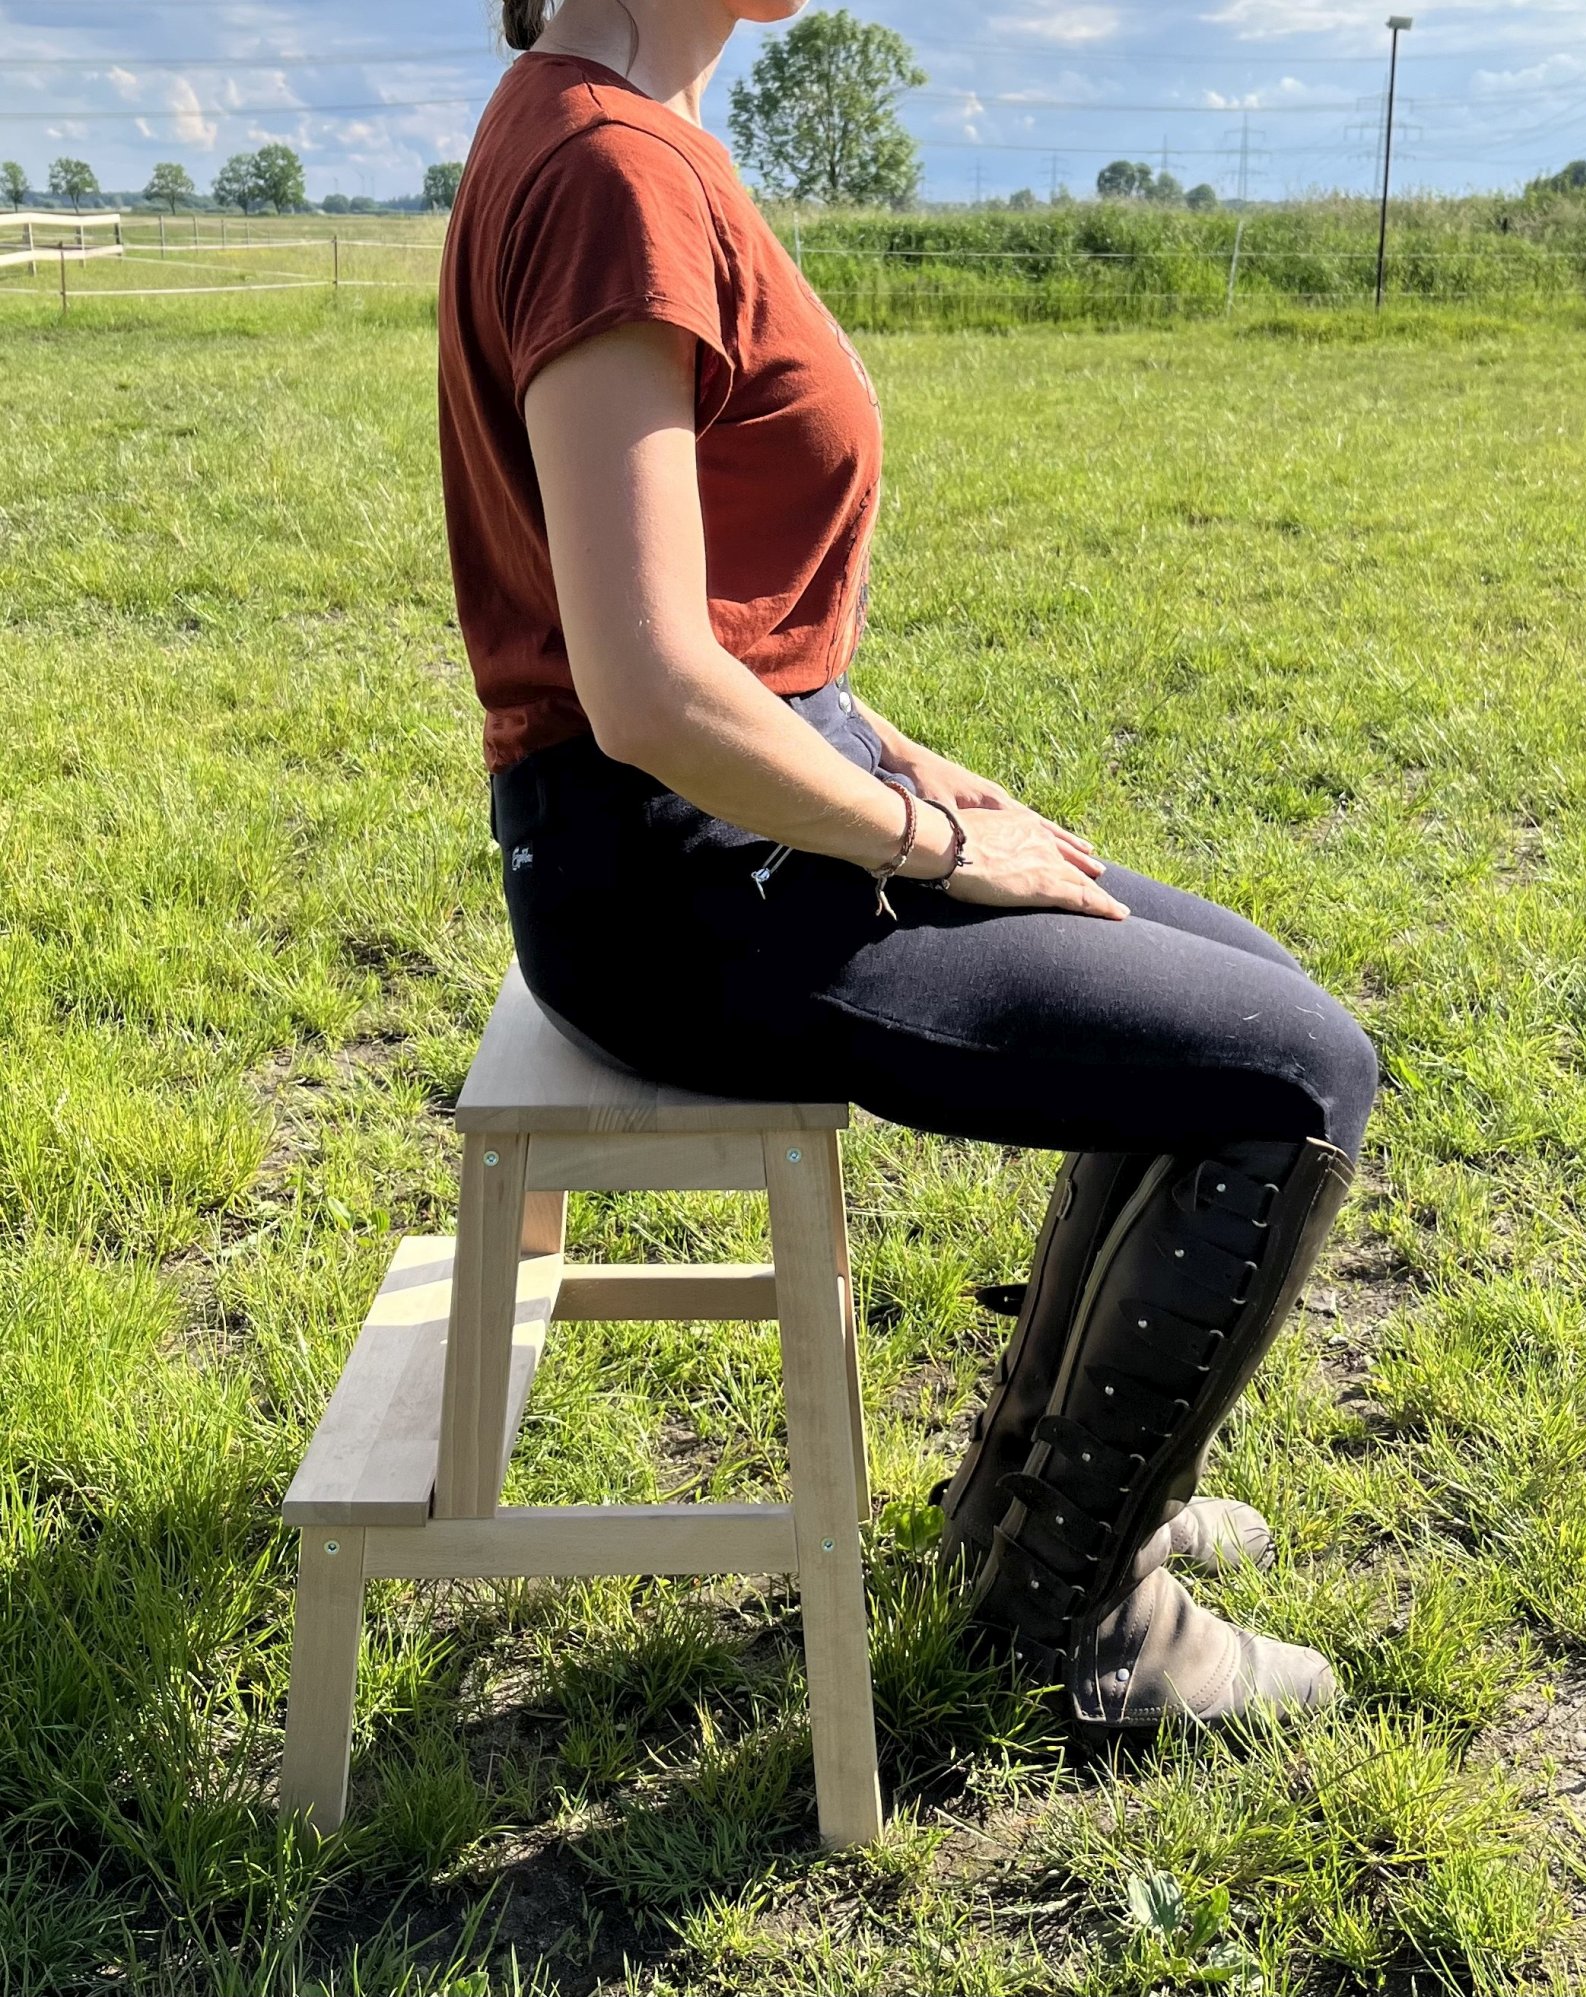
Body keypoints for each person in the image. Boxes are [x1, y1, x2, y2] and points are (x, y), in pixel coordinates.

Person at [438, 0, 1380, 1742]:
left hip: (711, 825)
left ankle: (1032, 1497)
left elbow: (719, 622)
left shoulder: (601, 123)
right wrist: (928, 844)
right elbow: (644, 686)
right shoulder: (608, 170)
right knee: (1295, 1072)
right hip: (680, 884)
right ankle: (1072, 1617)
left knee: (1245, 993)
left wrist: (897, 753)